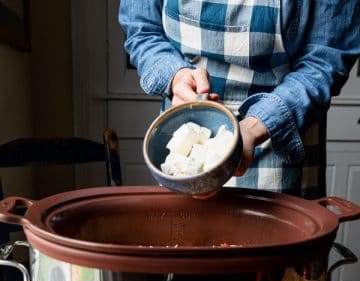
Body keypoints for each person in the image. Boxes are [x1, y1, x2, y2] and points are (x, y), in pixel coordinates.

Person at [119, 0, 360, 199]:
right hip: (185, 142)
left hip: (279, 142)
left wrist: (256, 127)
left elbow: (324, 62)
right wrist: (176, 76)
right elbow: (142, 29)